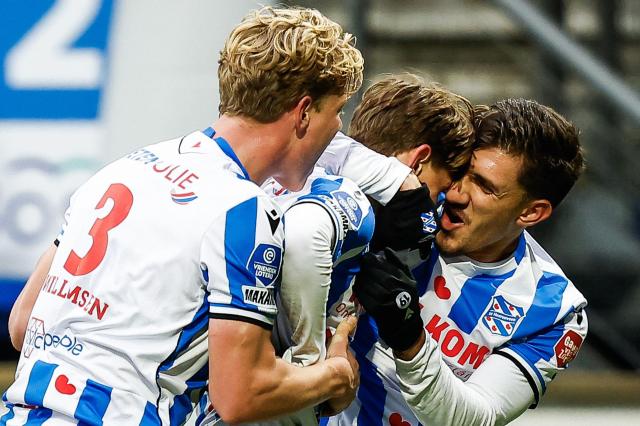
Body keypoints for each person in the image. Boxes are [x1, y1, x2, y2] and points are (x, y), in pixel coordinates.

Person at [4, 6, 364, 424]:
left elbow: (23, 321)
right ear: (303, 111)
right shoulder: (243, 209)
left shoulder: (123, 169)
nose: (339, 126)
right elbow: (241, 395)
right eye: (337, 110)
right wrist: (334, 377)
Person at [191, 74, 475, 426]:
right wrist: (314, 367)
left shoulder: (278, 168)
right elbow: (303, 235)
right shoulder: (351, 202)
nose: (435, 208)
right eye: (439, 189)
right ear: (418, 161)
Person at [332, 98, 588, 425]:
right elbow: (307, 141)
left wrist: (410, 338)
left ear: (531, 212)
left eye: (484, 186)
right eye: (462, 173)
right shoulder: (404, 204)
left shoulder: (555, 311)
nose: (455, 195)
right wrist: (389, 182)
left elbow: (475, 418)